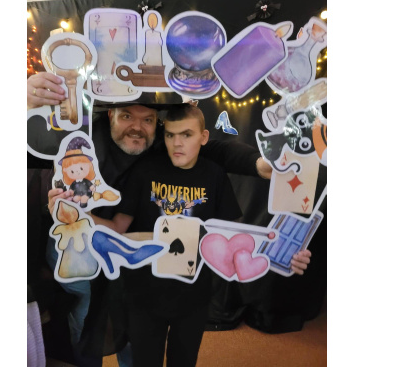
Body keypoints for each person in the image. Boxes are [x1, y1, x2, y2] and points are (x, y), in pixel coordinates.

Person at [28, 72, 312, 365]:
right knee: (89, 315)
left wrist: (281, 250)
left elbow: (228, 220)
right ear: (110, 115)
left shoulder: (172, 153)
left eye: (148, 120)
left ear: (158, 124)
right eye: (126, 116)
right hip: (86, 241)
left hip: (161, 273)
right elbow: (36, 150)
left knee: (137, 332)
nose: (137, 127)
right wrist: (25, 102)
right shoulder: (84, 138)